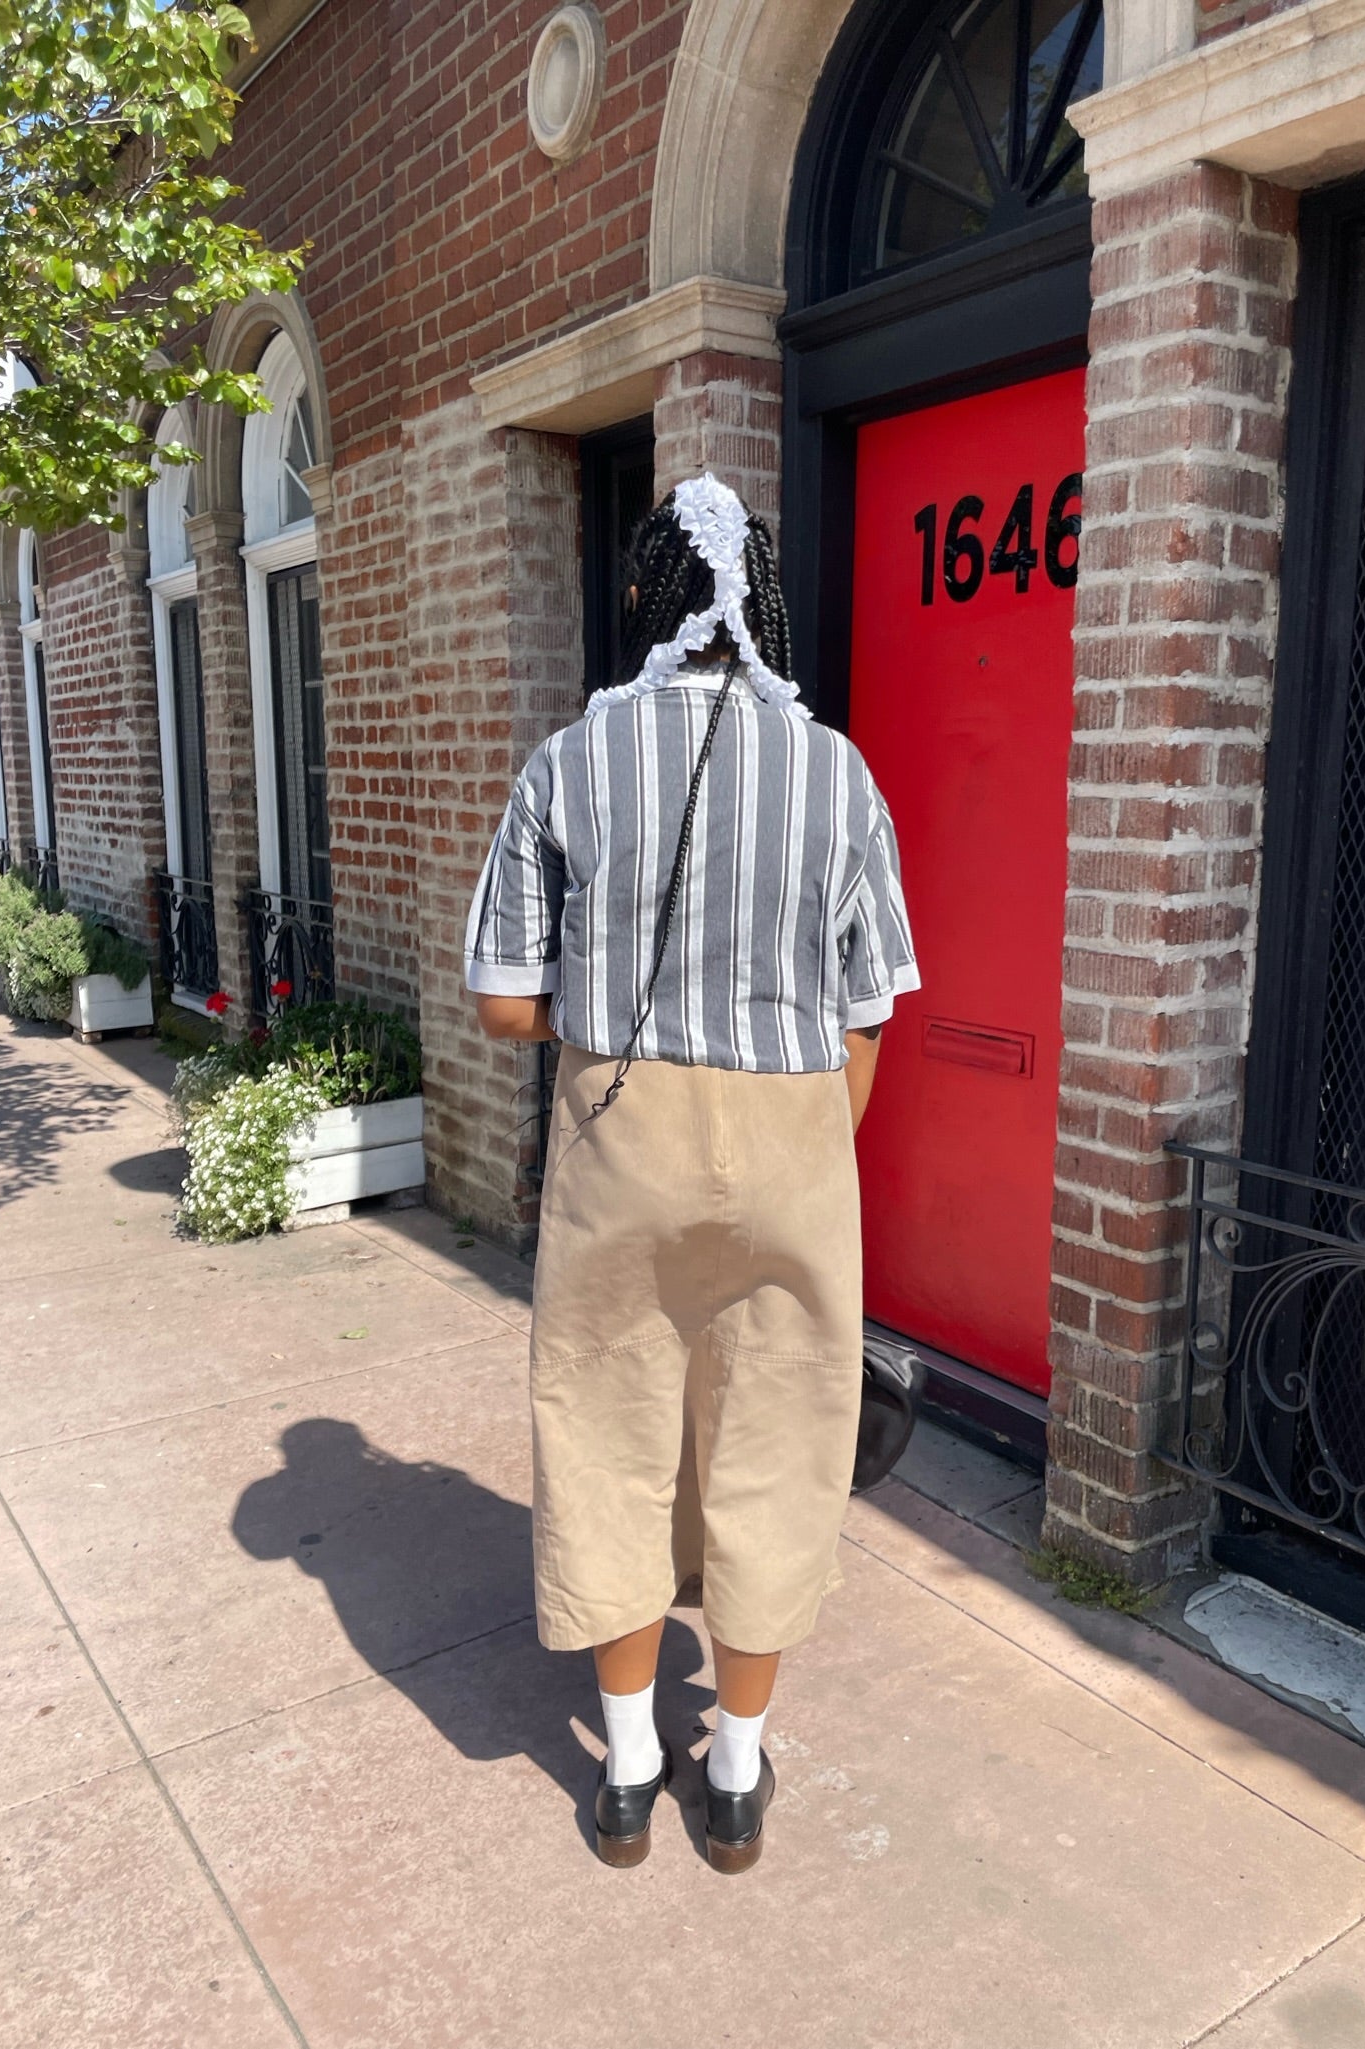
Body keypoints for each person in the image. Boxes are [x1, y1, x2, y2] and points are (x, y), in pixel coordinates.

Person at [463, 473, 918, 1874]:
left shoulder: (570, 761)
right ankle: (732, 1770)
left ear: (650, 599)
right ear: (759, 607)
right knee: (777, 1426)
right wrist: (807, 1140)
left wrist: (617, 1017)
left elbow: (499, 998)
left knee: (607, 1413)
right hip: (796, 1133)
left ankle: (628, 1768)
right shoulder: (835, 770)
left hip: (624, 1125)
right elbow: (874, 1000)